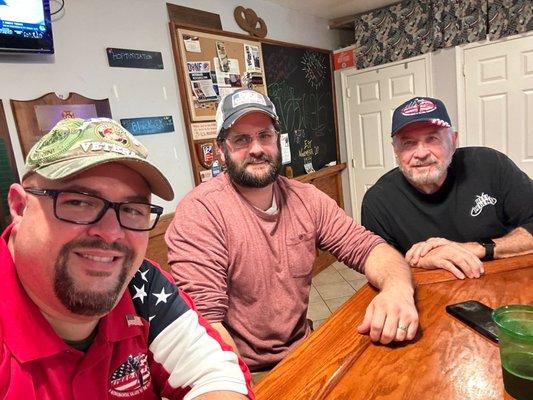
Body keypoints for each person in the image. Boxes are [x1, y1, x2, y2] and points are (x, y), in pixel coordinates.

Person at [166, 89, 419, 373]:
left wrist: (397, 289)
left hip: (305, 350)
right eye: (241, 139)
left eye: (265, 135)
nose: (257, 149)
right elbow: (205, 324)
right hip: (241, 368)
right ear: (221, 151)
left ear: (277, 140)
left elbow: (369, 248)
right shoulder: (201, 212)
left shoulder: (307, 198)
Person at [0, 118, 253, 399]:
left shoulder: (141, 284)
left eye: (132, 209)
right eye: (79, 202)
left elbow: (215, 372)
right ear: (20, 207)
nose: (111, 233)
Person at [361, 96, 533, 280]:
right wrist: (417, 260)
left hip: (505, 280)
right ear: (395, 150)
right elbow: (379, 266)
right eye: (408, 143)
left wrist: (474, 249)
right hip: (430, 291)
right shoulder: (378, 202)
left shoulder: (490, 165)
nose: (421, 153)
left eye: (432, 139)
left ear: (453, 141)